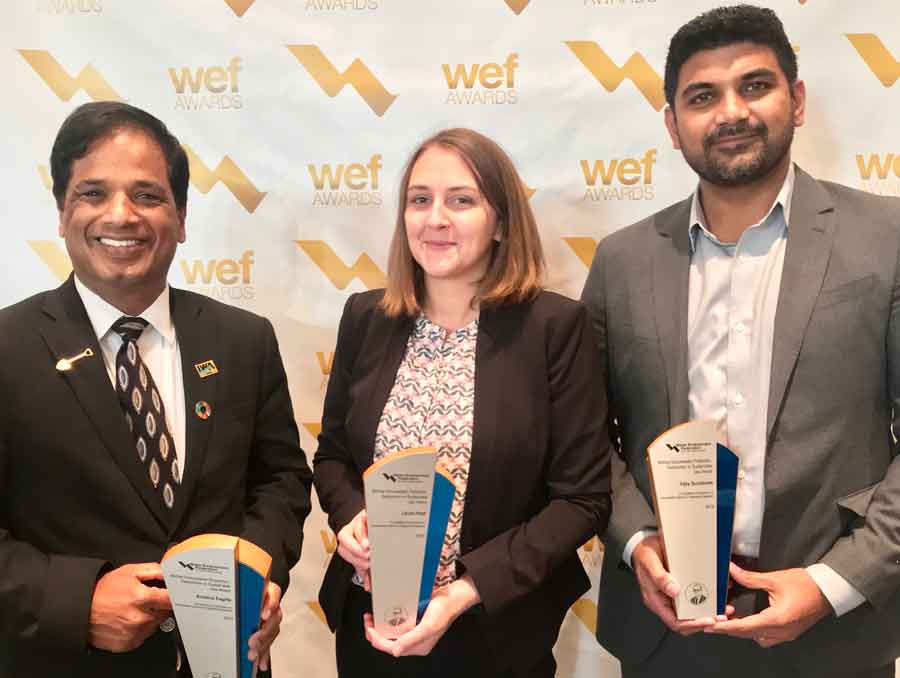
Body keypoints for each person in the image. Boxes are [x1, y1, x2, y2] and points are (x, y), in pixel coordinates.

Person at [582, 5, 900, 678]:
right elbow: (583, 437)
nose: (731, 111)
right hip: (665, 631)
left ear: (798, 99)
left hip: (835, 634)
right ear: (673, 126)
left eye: (755, 86)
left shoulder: (886, 239)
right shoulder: (622, 260)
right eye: (703, 97)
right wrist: (638, 543)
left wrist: (835, 582)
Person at [0, 101, 313, 678]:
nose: (121, 216)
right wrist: (77, 603)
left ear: (182, 216)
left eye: (147, 195)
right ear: (61, 212)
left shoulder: (244, 340)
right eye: (92, 193)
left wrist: (257, 573)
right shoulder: (7, 346)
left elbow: (281, 479)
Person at [313, 127, 611, 677]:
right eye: (420, 200)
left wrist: (465, 591)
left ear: (501, 222)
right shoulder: (366, 317)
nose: (435, 218)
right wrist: (351, 515)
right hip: (371, 620)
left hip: (495, 628)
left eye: (462, 200)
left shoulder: (554, 327)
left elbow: (582, 499)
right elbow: (332, 456)